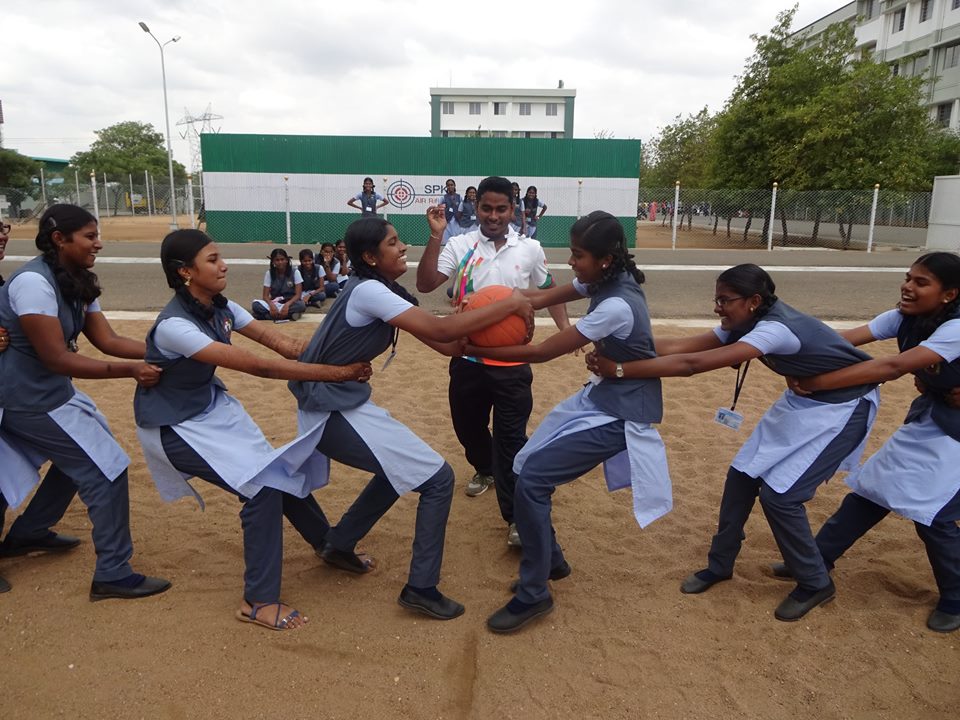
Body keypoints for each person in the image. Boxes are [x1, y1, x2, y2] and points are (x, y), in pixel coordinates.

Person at [587, 263, 880, 622]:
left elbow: (692, 364)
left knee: (782, 498)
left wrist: (619, 369)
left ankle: (815, 581)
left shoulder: (773, 329)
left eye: (725, 300)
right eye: (716, 299)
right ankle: (720, 565)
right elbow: (679, 346)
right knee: (741, 477)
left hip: (843, 408)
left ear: (753, 300)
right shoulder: (746, 322)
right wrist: (619, 348)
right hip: (803, 403)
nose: (717, 308)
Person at [289, 216, 535, 621]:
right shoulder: (369, 291)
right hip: (328, 411)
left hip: (339, 403)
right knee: (438, 480)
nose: (403, 247)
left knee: (397, 470)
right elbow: (441, 331)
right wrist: (507, 304)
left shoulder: (380, 289)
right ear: (371, 257)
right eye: (393, 243)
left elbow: (449, 345)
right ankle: (421, 587)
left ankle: (339, 543)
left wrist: (503, 341)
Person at [135, 229, 372, 631]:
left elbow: (284, 346)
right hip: (174, 425)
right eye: (212, 260)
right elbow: (259, 367)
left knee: (278, 471)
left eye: (220, 257)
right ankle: (258, 601)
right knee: (261, 489)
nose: (223, 265)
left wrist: (345, 346)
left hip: (210, 409)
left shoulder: (220, 307)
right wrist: (338, 373)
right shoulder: (174, 326)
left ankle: (329, 545)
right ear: (185, 271)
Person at [457, 210, 671, 633]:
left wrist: (473, 349)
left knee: (533, 480)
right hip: (603, 397)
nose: (571, 262)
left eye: (577, 255)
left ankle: (534, 592)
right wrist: (487, 305)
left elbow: (542, 352)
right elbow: (537, 298)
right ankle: (551, 560)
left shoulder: (615, 304)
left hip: (622, 415)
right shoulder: (603, 280)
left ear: (604, 259)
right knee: (522, 466)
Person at [779, 252, 960, 634]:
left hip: (955, 434)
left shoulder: (956, 327)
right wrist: (791, 356)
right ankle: (815, 561)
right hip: (931, 420)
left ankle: (956, 598)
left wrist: (817, 382)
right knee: (870, 491)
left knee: (935, 515)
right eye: (908, 278)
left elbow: (892, 367)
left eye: (921, 282)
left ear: (949, 294)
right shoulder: (905, 318)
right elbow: (839, 341)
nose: (908, 287)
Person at [0, 204, 170, 600]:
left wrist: (167, 351)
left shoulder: (76, 278)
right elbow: (57, 358)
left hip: (48, 394)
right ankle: (113, 573)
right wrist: (130, 370)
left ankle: (30, 532)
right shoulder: (33, 283)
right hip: (27, 400)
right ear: (60, 239)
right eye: (90, 236)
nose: (99, 243)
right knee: (105, 469)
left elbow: (107, 339)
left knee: (75, 460)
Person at [416, 176, 570, 548]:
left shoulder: (530, 248)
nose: (494, 215)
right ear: (477, 207)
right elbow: (425, 284)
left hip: (513, 361)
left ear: (512, 210)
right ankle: (485, 469)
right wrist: (435, 235)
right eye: (487, 208)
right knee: (468, 427)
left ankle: (517, 519)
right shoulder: (460, 244)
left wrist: (566, 329)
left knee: (510, 439)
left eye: (501, 209)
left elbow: (549, 290)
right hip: (468, 355)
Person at [252, 248, 305, 321]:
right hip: (275, 303)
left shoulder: (295, 272)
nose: (280, 262)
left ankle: (266, 316)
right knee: (255, 305)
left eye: (282, 259)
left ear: (287, 260)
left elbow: (298, 295)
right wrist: (272, 306)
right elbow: (265, 296)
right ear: (273, 261)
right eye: (277, 260)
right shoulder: (269, 273)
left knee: (301, 305)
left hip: (290, 302)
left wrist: (287, 305)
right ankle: (288, 316)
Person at [440, 179, 462, 244]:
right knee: (446, 242)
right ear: (446, 187)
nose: (450, 187)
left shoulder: (459, 197)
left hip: (457, 222)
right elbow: (440, 208)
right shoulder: (443, 198)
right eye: (448, 185)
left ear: (454, 186)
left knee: (457, 242)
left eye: (451, 185)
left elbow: (462, 209)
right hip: (447, 222)